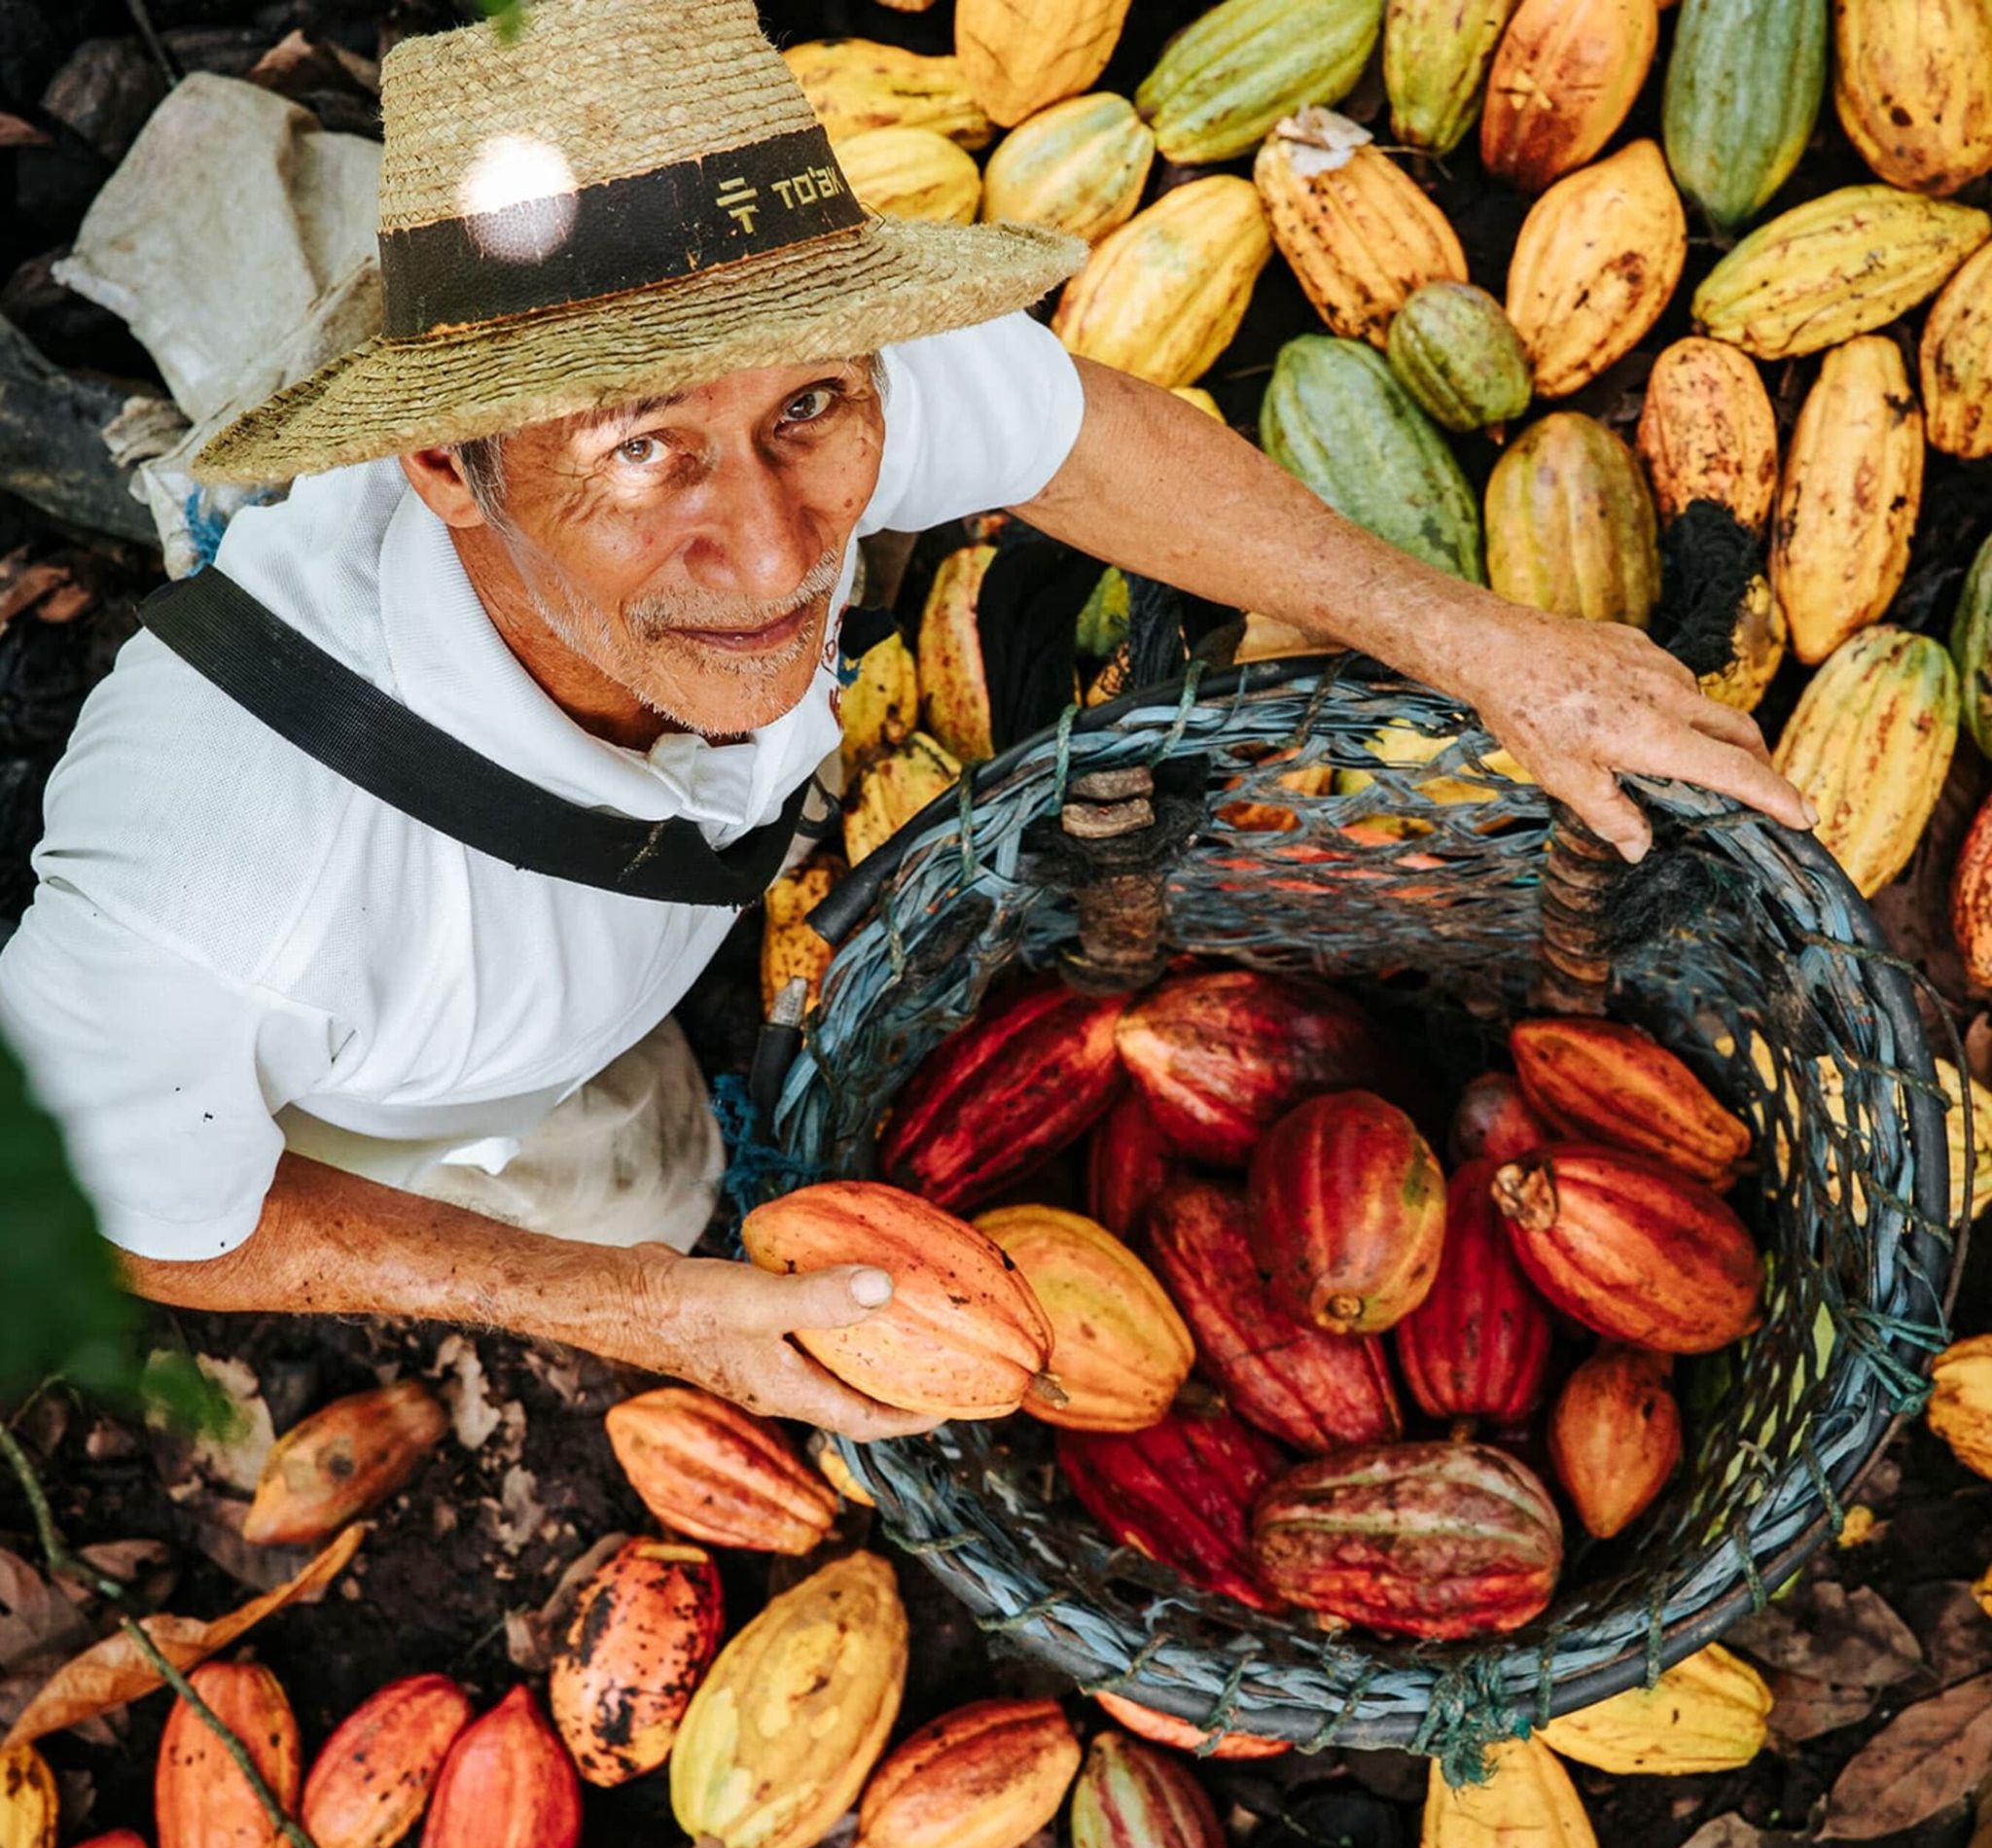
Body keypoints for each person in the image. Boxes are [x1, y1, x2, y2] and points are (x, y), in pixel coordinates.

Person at [0, 0, 1813, 1440]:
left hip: (620, 872)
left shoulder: (776, 388)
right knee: (621, 1192)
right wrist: (651, 1316)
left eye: (813, 413)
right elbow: (142, 1219)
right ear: (443, 464)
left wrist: (1481, 642)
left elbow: (1075, 433)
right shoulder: (227, 899)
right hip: (421, 1085)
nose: (783, 544)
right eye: (640, 448)